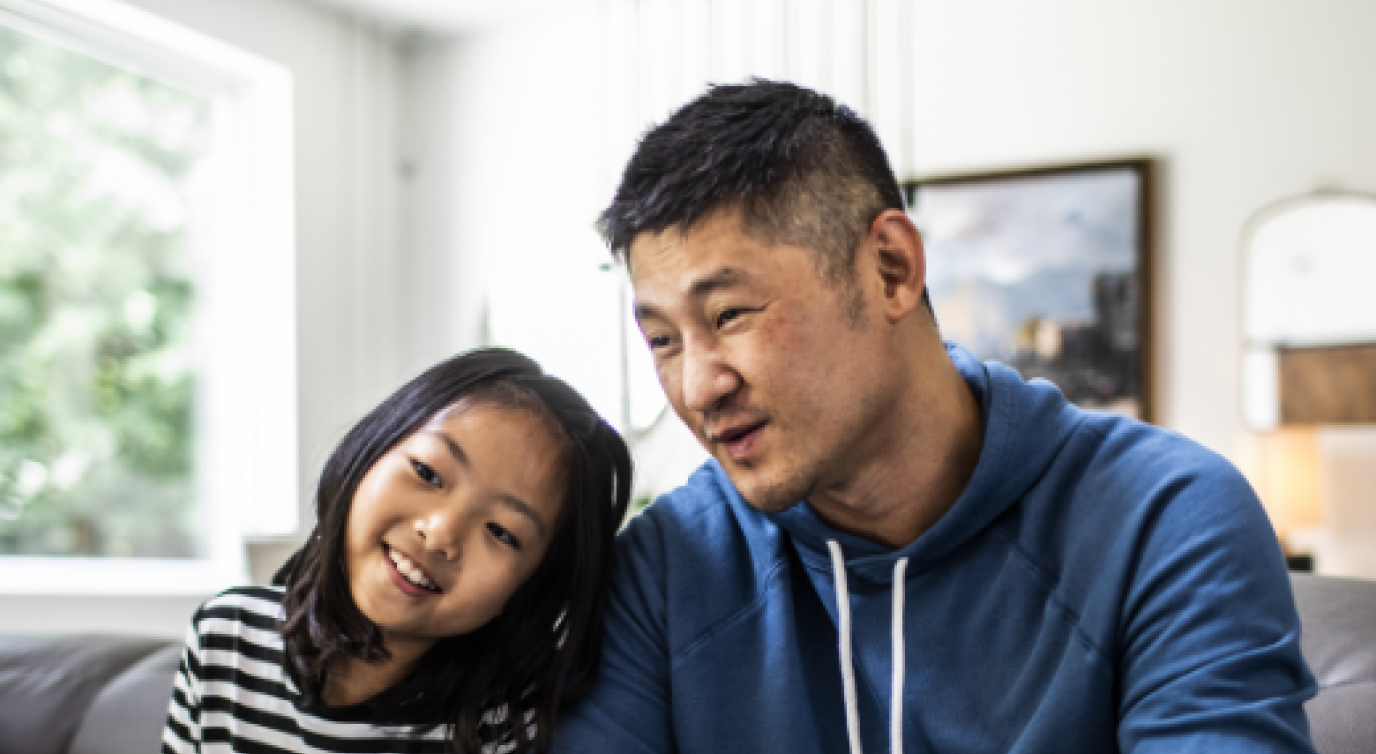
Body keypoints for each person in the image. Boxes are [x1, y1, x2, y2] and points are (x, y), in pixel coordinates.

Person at [551, 80, 1316, 754]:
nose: (696, 387)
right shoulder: (665, 572)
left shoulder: (1165, 520)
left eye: (729, 314)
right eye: (663, 340)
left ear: (891, 269)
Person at [161, 348, 632, 754]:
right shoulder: (227, 639)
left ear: (531, 586)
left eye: (501, 532)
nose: (440, 534)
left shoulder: (504, 724)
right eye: (428, 473)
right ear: (368, 451)